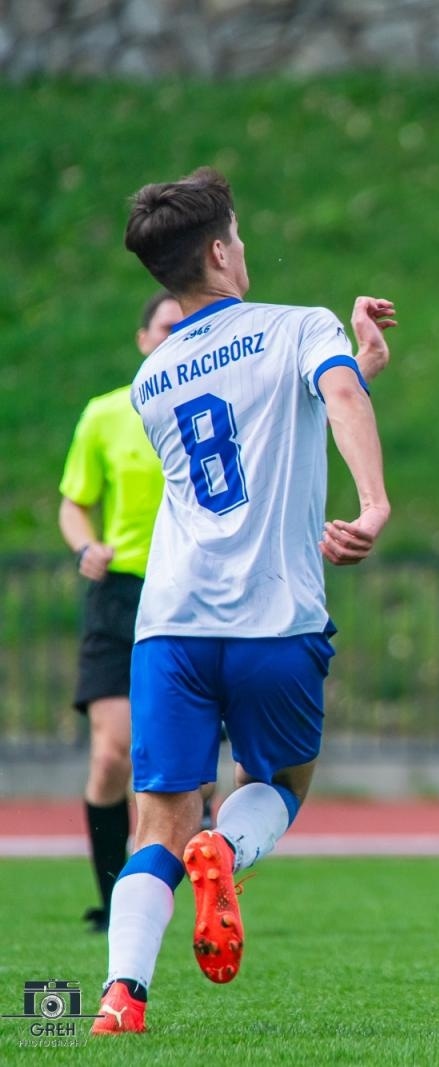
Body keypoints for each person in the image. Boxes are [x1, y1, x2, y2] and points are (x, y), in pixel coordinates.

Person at [92, 167, 396, 1035]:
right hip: (275, 615)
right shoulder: (301, 325)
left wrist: (358, 368)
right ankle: (225, 849)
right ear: (222, 249)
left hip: (172, 624)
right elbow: (327, 398)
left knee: (155, 819)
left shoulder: (153, 380)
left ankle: (122, 995)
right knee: (279, 783)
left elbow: (253, 434)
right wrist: (371, 500)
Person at [59, 290, 184, 933]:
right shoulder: (106, 414)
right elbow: (74, 502)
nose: (175, 335)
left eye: (185, 326)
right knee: (113, 754)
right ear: (142, 340)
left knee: (177, 762)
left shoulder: (210, 406)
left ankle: (156, 892)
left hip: (189, 586)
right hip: (122, 591)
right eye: (165, 327)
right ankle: (115, 896)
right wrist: (87, 546)